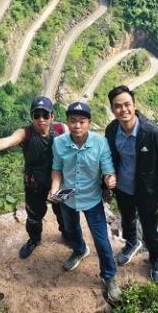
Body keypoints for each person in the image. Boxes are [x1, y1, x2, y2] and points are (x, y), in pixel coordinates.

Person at [0, 96, 68, 259]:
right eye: (36, 115)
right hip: (34, 183)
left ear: (52, 116)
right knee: (34, 218)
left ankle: (67, 234)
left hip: (58, 181)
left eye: (45, 115)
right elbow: (5, 141)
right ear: (31, 117)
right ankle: (34, 240)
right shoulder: (26, 133)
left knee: (64, 212)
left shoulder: (61, 130)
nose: (41, 120)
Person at [105, 85, 158, 283]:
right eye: (118, 106)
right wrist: (107, 177)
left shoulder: (153, 132)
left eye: (127, 104)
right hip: (123, 188)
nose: (124, 110)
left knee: (150, 228)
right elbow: (108, 157)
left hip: (147, 190)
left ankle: (156, 259)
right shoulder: (112, 130)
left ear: (134, 105)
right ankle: (131, 243)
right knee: (127, 219)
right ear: (112, 110)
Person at [49, 101, 122, 302]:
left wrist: (110, 178)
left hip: (91, 196)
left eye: (82, 121)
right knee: (71, 229)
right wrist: (55, 187)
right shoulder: (59, 143)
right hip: (67, 193)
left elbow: (108, 168)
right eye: (73, 121)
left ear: (89, 122)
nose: (77, 126)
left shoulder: (100, 143)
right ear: (67, 122)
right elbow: (56, 168)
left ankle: (109, 277)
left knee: (101, 239)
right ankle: (80, 250)